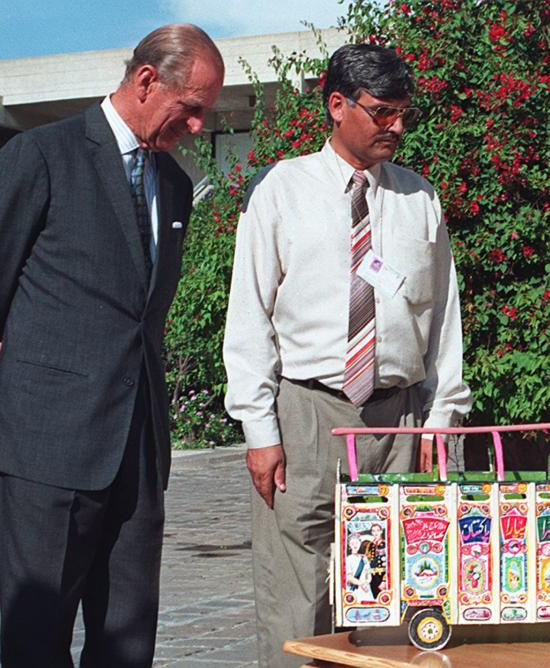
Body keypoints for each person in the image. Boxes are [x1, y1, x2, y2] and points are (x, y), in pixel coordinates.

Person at [0, 25, 224, 667]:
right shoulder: (42, 155)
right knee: (37, 634)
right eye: (190, 109)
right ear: (145, 81)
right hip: (48, 442)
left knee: (127, 637)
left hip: (137, 446)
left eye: (205, 116)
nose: (195, 127)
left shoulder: (176, 186)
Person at [222, 43, 472, 666]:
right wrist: (259, 428)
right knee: (298, 591)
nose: (396, 127)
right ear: (337, 105)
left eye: (402, 113)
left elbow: (443, 319)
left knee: (398, 588)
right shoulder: (283, 190)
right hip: (308, 416)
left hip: (402, 417)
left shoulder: (420, 199)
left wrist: (443, 418)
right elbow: (249, 315)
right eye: (382, 112)